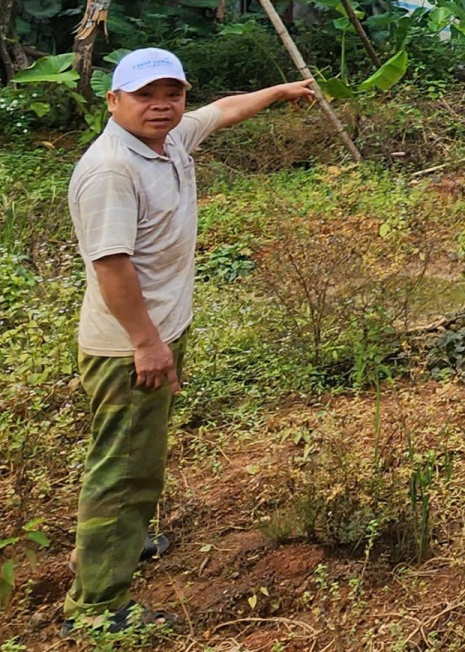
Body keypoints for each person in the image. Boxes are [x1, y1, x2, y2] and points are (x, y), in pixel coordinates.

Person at [61, 47, 314, 635]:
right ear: (114, 100)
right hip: (129, 346)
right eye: (146, 95)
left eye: (171, 94)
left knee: (138, 456)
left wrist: (278, 92)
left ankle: (123, 540)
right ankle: (97, 602)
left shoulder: (168, 139)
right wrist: (149, 345)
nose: (162, 106)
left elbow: (223, 110)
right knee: (123, 468)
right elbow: (112, 268)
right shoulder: (110, 170)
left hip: (157, 335)